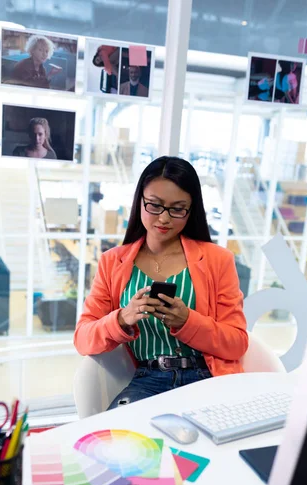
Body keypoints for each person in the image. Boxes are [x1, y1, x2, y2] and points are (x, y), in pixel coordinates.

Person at [74, 157, 248, 409]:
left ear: (191, 210)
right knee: (117, 441)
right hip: (148, 379)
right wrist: (122, 318)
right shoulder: (112, 262)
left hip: (206, 378)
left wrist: (187, 322)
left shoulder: (218, 260)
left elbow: (237, 342)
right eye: (155, 205)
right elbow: (83, 338)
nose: (164, 218)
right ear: (140, 202)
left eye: (177, 209)